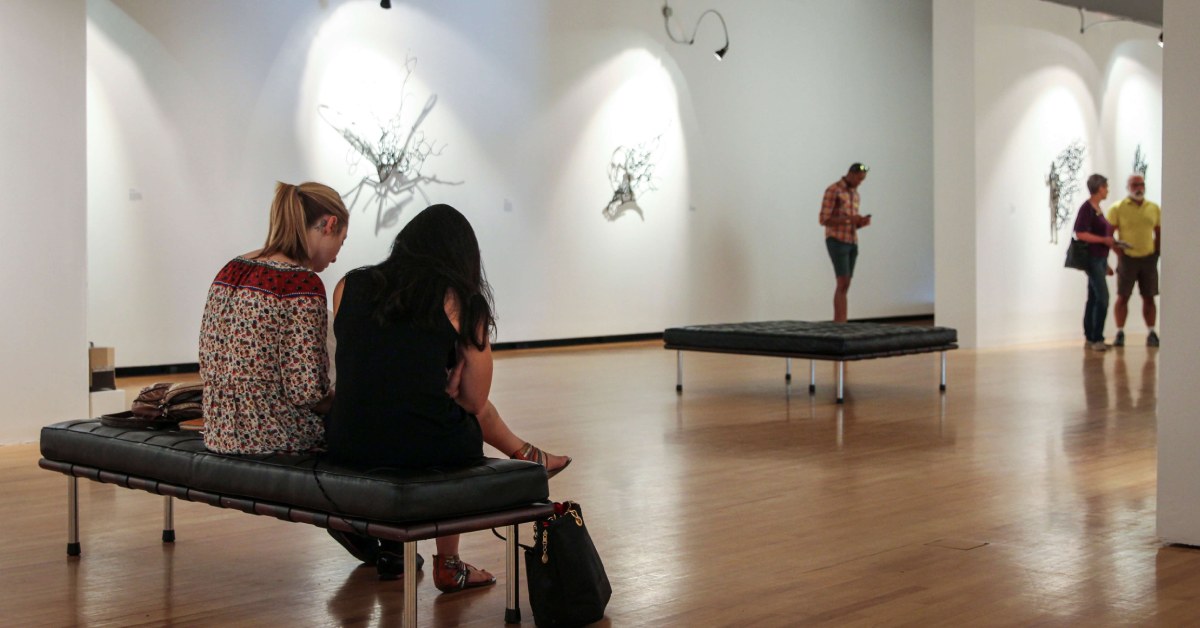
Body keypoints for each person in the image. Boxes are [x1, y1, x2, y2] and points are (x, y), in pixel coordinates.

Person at [326, 203, 570, 591]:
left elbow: (359, 360)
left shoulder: (348, 285)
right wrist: (449, 372)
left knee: (426, 409)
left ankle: (528, 455)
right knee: (453, 413)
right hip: (424, 448)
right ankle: (450, 563)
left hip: (346, 441)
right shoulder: (461, 300)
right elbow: (475, 401)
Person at [198, 181, 388, 570]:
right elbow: (307, 391)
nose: (337, 255)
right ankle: (373, 529)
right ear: (328, 224)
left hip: (218, 425)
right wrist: (348, 404)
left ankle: (367, 533)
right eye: (342, 240)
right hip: (266, 432)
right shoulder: (300, 284)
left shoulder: (231, 267)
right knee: (371, 425)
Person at [1106, 173, 1161, 347]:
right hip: (1127, 259)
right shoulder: (1118, 208)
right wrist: (1118, 251)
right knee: (1123, 297)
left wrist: (1156, 252)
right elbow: (1109, 233)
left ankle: (1151, 331)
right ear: (1128, 187)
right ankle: (1120, 332)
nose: (1139, 188)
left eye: (1141, 184)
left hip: (1148, 259)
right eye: (1135, 185)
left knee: (1149, 296)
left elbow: (1159, 231)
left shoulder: (1153, 208)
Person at [819, 163, 871, 322]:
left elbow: (850, 222)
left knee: (846, 284)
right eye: (859, 179)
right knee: (842, 282)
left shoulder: (855, 194)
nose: (860, 182)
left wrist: (860, 222)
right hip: (837, 240)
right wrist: (850, 219)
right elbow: (824, 219)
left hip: (851, 240)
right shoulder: (833, 190)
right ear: (851, 174)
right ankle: (839, 323)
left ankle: (842, 321)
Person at [1073, 174, 1117, 352]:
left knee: (1093, 297)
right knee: (1103, 298)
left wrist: (1105, 262)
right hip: (1092, 258)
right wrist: (1102, 240)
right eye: (1106, 187)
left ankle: (1091, 336)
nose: (1107, 190)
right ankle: (1096, 337)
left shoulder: (1097, 208)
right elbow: (1080, 233)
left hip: (1099, 259)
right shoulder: (1087, 208)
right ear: (1099, 188)